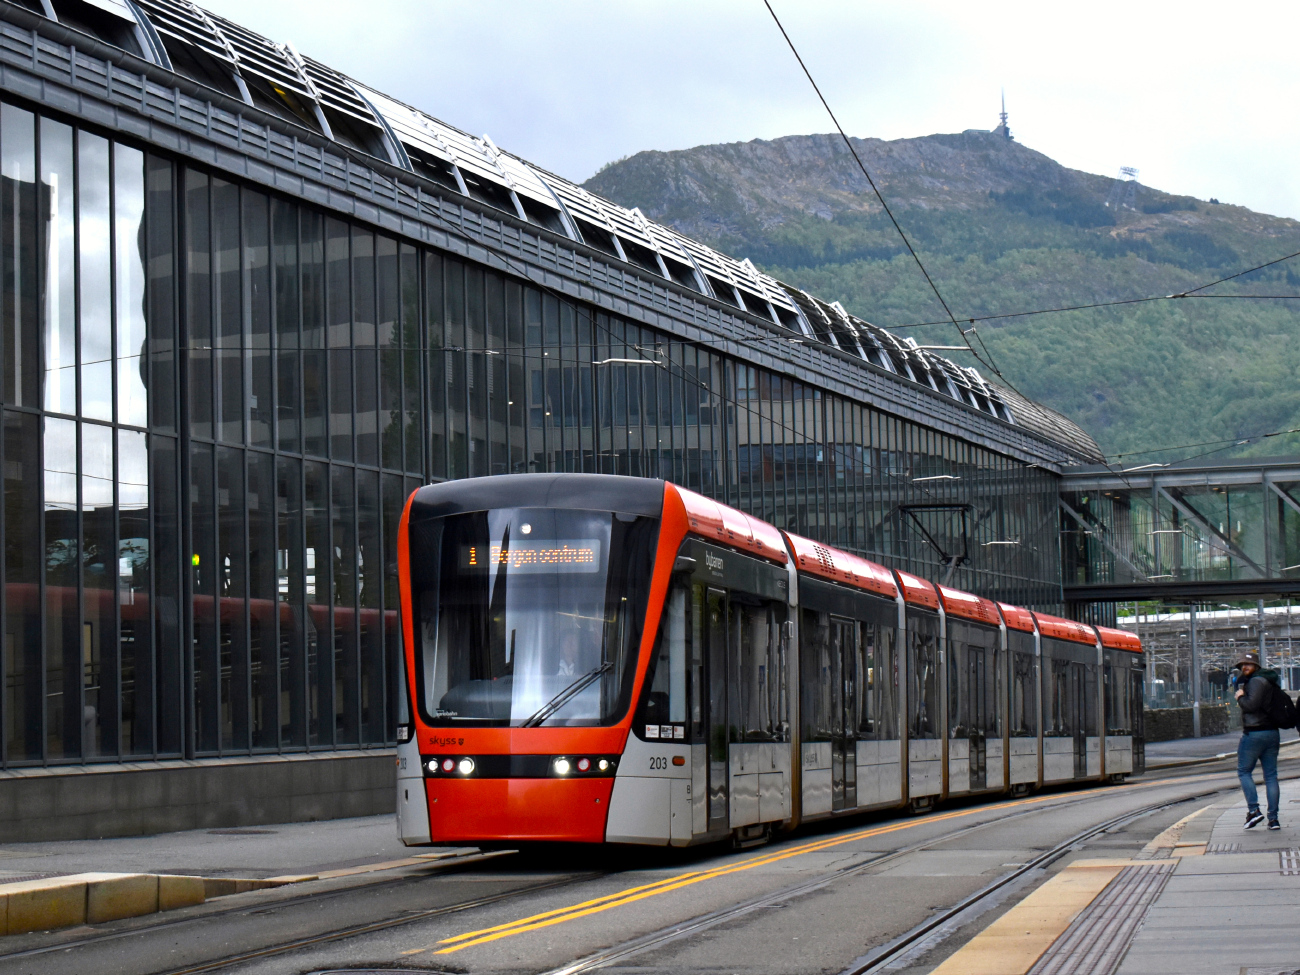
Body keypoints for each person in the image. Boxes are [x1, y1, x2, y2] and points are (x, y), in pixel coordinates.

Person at [1234, 652, 1282, 830]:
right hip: (1272, 733)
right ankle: (1273, 819)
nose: (1244, 667)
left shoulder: (1255, 681)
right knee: (1271, 776)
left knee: (1244, 772)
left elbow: (1251, 705)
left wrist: (1240, 697)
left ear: (1256, 666)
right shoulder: (1269, 681)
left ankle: (1254, 811)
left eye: (1248, 664)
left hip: (1254, 733)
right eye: (1242, 665)